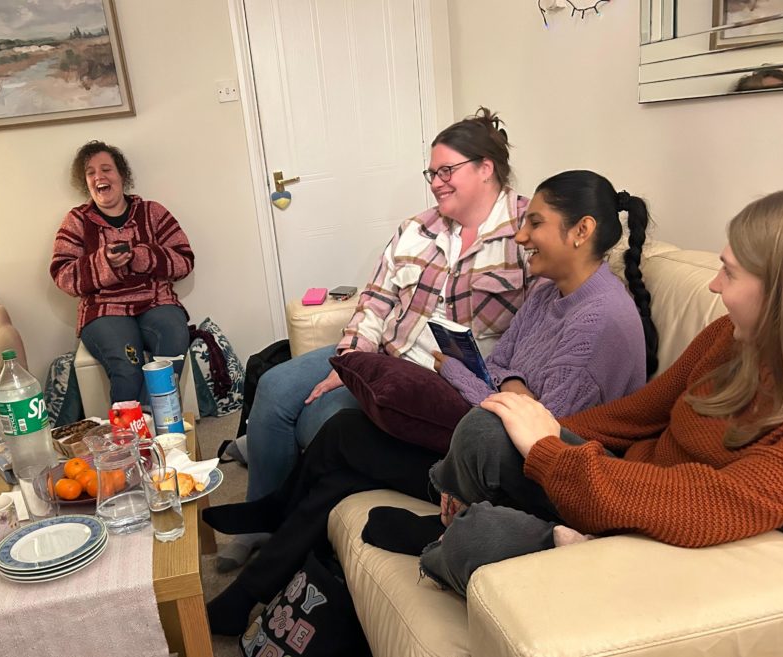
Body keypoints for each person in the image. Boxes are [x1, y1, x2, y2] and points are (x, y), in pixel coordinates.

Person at [203, 169, 659, 635]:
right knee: (343, 448)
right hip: (500, 446)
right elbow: (500, 366)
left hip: (530, 479)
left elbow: (540, 436)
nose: (522, 236)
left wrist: (462, 374)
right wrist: (513, 388)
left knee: (346, 445)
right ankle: (252, 581)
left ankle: (266, 541)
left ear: (581, 231)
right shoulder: (548, 293)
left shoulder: (600, 321)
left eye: (535, 223)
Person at [401, 183, 783, 597]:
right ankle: (464, 514)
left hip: (664, 525)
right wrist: (541, 429)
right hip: (618, 481)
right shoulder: (729, 335)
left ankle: (462, 542)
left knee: (480, 537)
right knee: (486, 427)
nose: (714, 284)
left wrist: (548, 451)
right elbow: (638, 413)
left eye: (731, 273)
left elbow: (704, 503)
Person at [221, 107, 530, 571]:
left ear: (485, 168)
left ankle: (287, 521)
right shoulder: (416, 229)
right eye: (431, 173)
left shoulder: (527, 230)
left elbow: (538, 328)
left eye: (446, 171)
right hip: (382, 353)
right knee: (275, 385)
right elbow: (376, 300)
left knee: (320, 418)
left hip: (438, 380)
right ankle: (258, 520)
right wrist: (348, 361)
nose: (436, 183)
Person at [50, 140, 194, 407]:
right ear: (85, 182)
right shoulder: (76, 220)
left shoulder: (152, 212)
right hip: (104, 310)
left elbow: (184, 261)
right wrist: (104, 261)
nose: (99, 177)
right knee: (127, 369)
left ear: (122, 175)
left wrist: (142, 256)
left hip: (156, 302)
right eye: (91, 173)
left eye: (106, 169)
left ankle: (154, 423)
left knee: (173, 342)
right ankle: (132, 431)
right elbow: (63, 276)